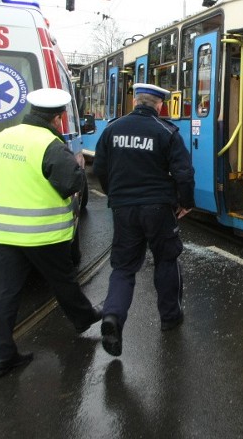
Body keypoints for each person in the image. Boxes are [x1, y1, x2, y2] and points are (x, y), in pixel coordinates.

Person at [0, 88, 101, 378]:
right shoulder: (50, 144)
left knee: (3, 293)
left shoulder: (2, 138)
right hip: (44, 233)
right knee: (63, 281)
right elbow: (71, 184)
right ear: (59, 118)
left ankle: (0, 355)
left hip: (7, 233)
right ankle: (84, 318)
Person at [93, 83, 195, 357]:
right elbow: (183, 173)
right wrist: (186, 203)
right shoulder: (166, 132)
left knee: (124, 267)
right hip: (159, 209)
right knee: (166, 259)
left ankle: (112, 316)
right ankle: (170, 317)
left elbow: (100, 168)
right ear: (159, 105)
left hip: (124, 209)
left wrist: (115, 193)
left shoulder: (112, 129)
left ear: (135, 101)